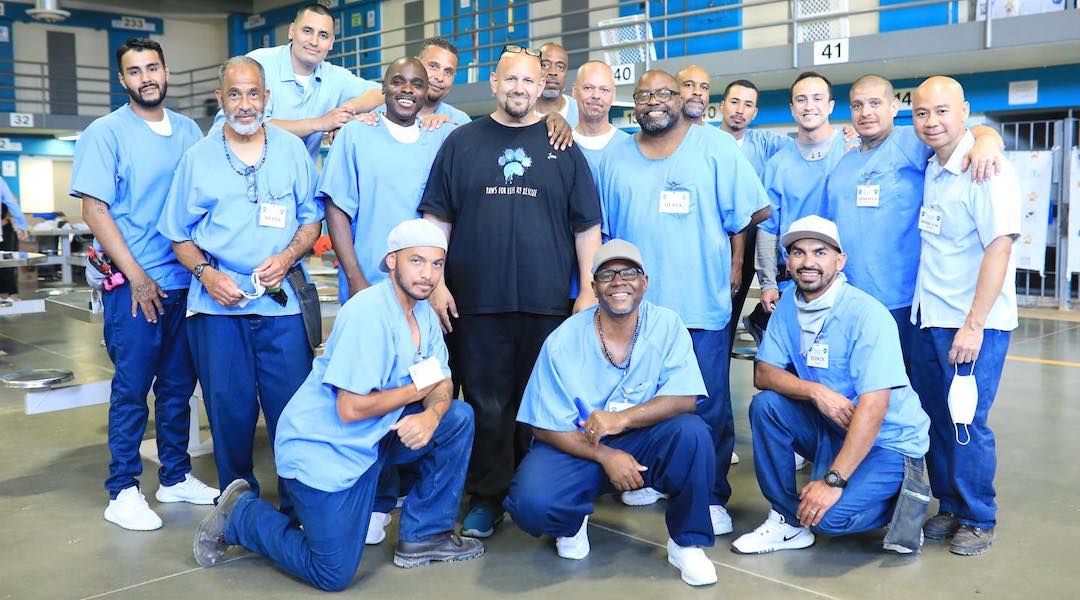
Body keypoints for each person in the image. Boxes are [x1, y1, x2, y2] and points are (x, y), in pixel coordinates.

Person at [192, 219, 482, 591]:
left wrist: (432, 413)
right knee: (332, 573)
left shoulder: (423, 314)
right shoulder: (368, 314)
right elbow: (350, 409)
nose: (427, 274)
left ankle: (425, 535)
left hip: (372, 438)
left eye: (436, 264)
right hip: (325, 451)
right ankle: (241, 514)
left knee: (456, 417)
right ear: (392, 262)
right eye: (417, 261)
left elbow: (441, 381)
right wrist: (414, 394)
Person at [418, 45, 602, 538]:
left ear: (541, 86)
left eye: (529, 81)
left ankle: (531, 490)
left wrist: (586, 290)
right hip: (476, 302)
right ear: (495, 84)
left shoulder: (563, 146)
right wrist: (435, 284)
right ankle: (487, 495)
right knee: (486, 404)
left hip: (546, 305)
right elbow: (436, 219)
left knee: (539, 403)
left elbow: (587, 227)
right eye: (510, 80)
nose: (519, 88)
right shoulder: (462, 142)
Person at [596, 70, 770, 531]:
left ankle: (710, 495)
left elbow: (752, 214)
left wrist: (736, 262)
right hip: (635, 312)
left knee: (705, 404)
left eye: (663, 93)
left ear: (682, 99)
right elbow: (605, 231)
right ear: (633, 104)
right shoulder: (617, 156)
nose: (654, 101)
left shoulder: (714, 148)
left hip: (699, 304)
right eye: (644, 95)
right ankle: (653, 478)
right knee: (643, 399)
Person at [159, 56, 323, 513]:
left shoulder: (291, 151)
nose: (245, 104)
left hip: (281, 306)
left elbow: (310, 221)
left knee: (291, 411)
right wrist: (206, 275)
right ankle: (239, 509)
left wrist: (289, 254)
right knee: (229, 415)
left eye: (253, 94)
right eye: (235, 94)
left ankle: (297, 506)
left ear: (267, 98)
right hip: (216, 312)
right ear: (220, 99)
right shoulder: (198, 159)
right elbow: (177, 234)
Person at [505, 240, 718, 586]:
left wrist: (621, 420)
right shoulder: (563, 340)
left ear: (644, 282)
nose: (619, 281)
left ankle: (687, 542)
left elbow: (685, 398)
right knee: (532, 505)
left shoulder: (667, 325)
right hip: (580, 443)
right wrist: (607, 456)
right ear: (594, 287)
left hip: (643, 439)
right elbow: (542, 426)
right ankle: (571, 520)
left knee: (691, 432)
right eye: (607, 274)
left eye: (629, 273)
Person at [71, 38, 217, 531]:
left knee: (178, 388)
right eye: (134, 71)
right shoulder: (105, 132)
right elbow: (94, 209)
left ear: (166, 71)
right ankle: (123, 489)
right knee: (133, 389)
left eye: (152, 67)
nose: (145, 78)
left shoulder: (189, 130)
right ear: (122, 80)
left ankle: (174, 476)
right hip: (134, 287)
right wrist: (136, 277)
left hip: (184, 283)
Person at [733, 215, 930, 554]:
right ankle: (786, 520)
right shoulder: (788, 305)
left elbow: (875, 407)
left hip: (888, 441)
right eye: (797, 252)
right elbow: (763, 373)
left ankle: (906, 503)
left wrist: (833, 481)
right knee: (767, 407)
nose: (808, 262)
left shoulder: (867, 315)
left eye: (820, 252)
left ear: (840, 261)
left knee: (828, 520)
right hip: (834, 426)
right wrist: (816, 391)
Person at [908, 76, 1020, 557]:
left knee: (966, 421)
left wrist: (974, 324)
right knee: (937, 419)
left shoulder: (987, 168)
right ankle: (951, 504)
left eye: (942, 111)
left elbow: (999, 247)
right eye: (921, 113)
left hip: (973, 323)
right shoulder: (934, 166)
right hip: (931, 316)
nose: (931, 121)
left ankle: (979, 518)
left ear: (965, 111)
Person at [825, 74, 1004, 365]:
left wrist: (987, 142)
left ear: (894, 107)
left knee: (900, 388)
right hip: (848, 297)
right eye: (858, 105)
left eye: (875, 103)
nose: (866, 112)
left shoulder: (914, 140)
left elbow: (966, 131)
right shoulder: (843, 165)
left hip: (902, 300)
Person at [320, 57, 457, 304]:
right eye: (397, 82)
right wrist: (354, 278)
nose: (407, 89)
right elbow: (336, 210)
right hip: (368, 283)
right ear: (383, 87)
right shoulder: (355, 134)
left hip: (425, 288)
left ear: (426, 92)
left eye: (416, 84)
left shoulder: (441, 137)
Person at [755, 72, 850, 331]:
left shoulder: (853, 149)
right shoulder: (777, 165)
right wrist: (768, 284)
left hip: (847, 283)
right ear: (792, 108)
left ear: (830, 105)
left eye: (817, 98)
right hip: (795, 284)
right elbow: (767, 230)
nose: (810, 106)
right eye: (801, 99)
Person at [237, 3, 383, 162]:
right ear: (292, 31)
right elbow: (253, 127)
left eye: (323, 35)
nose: (314, 41)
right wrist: (321, 123)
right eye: (307, 31)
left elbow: (381, 93)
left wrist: (346, 114)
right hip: (249, 176)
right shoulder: (258, 64)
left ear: (332, 42)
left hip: (302, 182)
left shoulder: (335, 76)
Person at [372, 37, 470, 125]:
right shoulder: (375, 118)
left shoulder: (460, 123)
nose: (440, 78)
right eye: (433, 66)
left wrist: (450, 132)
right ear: (416, 64)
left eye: (448, 72)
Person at [571, 61, 630, 184]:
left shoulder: (629, 147)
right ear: (574, 91)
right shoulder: (562, 144)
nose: (596, 95)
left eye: (604, 90)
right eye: (588, 88)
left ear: (613, 95)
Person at [533, 42, 578, 128]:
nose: (553, 72)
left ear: (566, 73)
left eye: (560, 67)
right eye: (545, 65)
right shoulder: (521, 110)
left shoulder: (581, 112)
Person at [0, 177, 29, 302]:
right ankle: (10, 295)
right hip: (4, 229)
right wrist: (22, 226)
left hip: (5, 229)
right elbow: (11, 202)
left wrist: (21, 226)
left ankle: (11, 294)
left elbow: (11, 203)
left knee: (7, 263)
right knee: (7, 264)